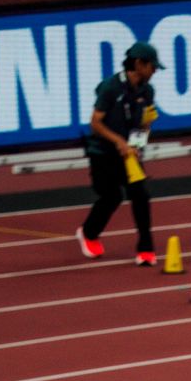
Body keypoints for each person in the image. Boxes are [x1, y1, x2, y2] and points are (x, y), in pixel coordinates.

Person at [77, 42, 160, 264]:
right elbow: (96, 123)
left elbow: (143, 124)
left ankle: (145, 248)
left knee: (140, 194)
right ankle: (89, 233)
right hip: (102, 152)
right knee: (111, 196)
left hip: (128, 152)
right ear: (139, 64)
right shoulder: (110, 88)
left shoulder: (147, 90)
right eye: (152, 66)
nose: (154, 71)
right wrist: (119, 142)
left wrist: (139, 141)